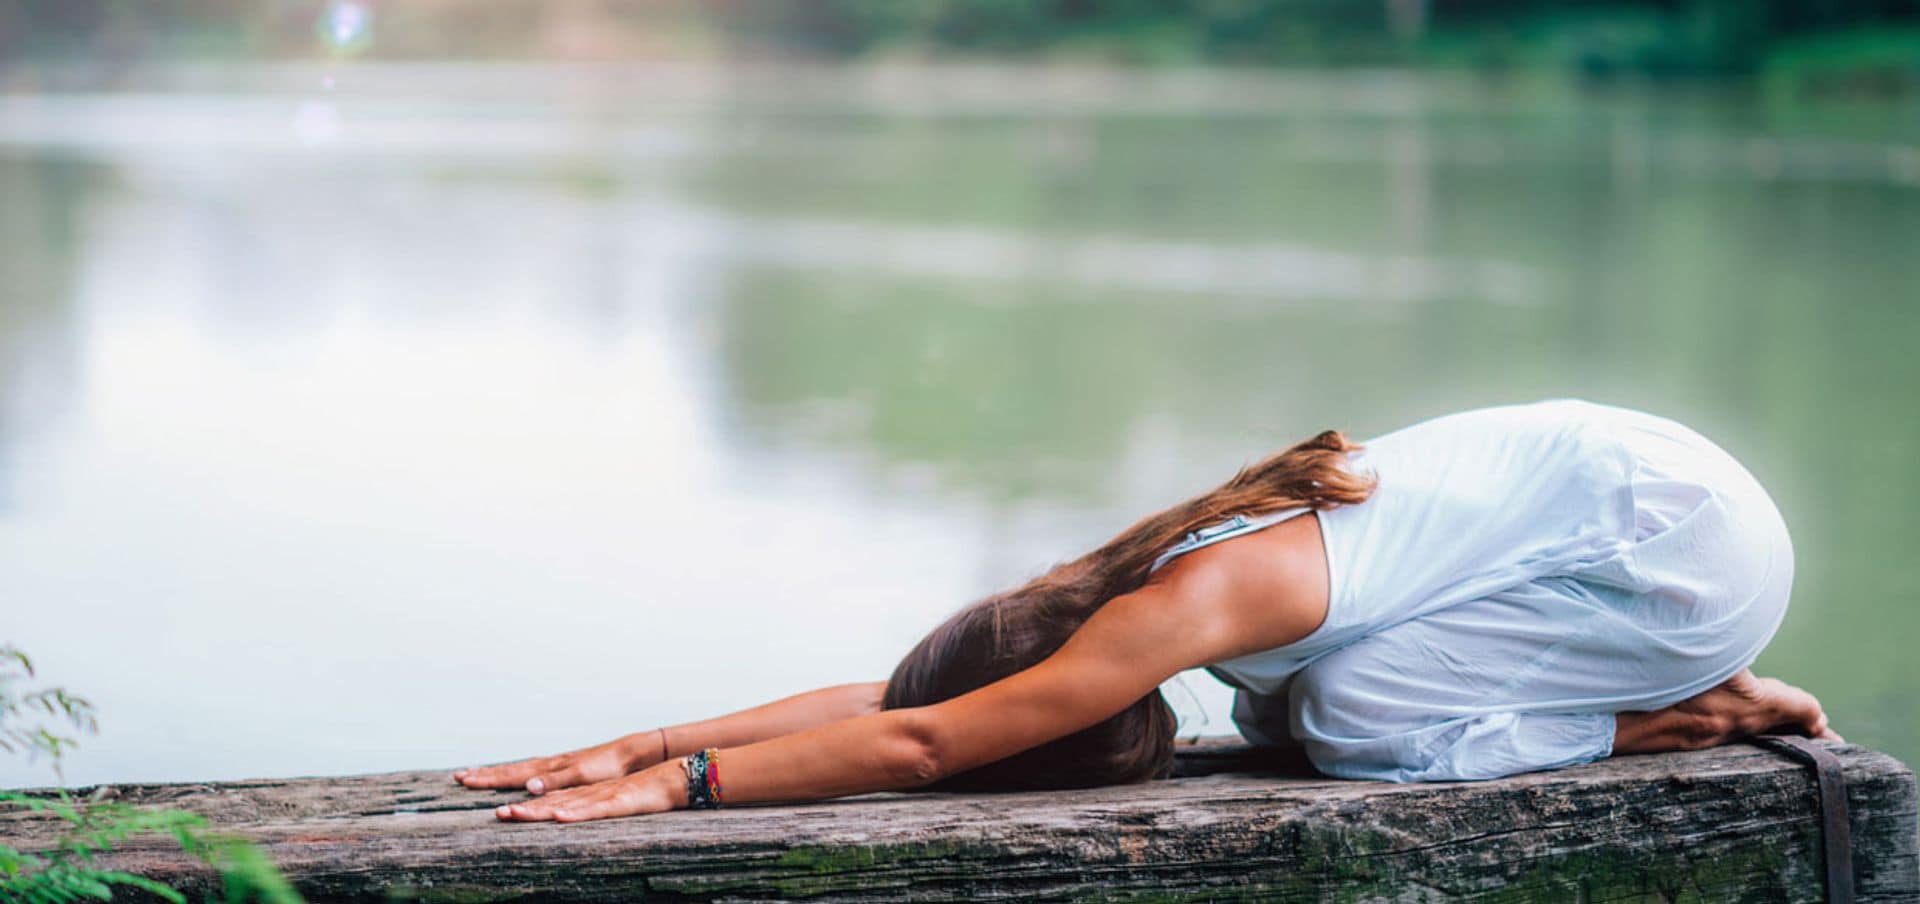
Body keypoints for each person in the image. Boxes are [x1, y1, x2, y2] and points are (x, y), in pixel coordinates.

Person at [456, 398, 1837, 822]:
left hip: (1677, 559)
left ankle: (1687, 707)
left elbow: (928, 751)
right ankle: (1649, 684)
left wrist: (684, 790)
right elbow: (903, 712)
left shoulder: (1190, 603)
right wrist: (641, 739)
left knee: (1348, 722)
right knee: (1299, 705)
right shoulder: (1118, 597)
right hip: (1640, 488)